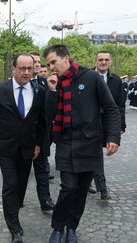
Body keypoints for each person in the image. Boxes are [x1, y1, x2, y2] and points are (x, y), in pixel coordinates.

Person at [43, 45, 121, 243]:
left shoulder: (90, 77)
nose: (51, 67)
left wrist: (113, 136)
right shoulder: (54, 82)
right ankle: (57, 227)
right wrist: (51, 90)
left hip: (90, 144)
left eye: (54, 62)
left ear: (66, 57)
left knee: (81, 191)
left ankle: (72, 227)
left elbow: (111, 108)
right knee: (68, 187)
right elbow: (48, 116)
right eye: (48, 64)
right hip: (65, 142)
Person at [0, 53, 46, 243]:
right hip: (5, 146)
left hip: (28, 147)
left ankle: (15, 207)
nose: (26, 72)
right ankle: (14, 228)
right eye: (22, 68)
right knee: (10, 184)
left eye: (29, 68)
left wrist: (39, 144)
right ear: (13, 69)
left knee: (22, 185)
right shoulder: (0, 89)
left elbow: (41, 121)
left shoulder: (40, 91)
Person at [88, 50, 127, 199]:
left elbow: (120, 105)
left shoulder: (116, 81)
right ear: (95, 61)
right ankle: (102, 188)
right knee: (96, 153)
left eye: (106, 60)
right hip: (90, 122)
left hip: (107, 122)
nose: (103, 62)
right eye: (100, 60)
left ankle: (89, 181)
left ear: (109, 61)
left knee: (94, 153)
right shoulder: (86, 78)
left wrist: (120, 126)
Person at [29, 51, 55, 212]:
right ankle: (17, 199)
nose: (38, 64)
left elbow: (50, 110)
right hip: (23, 137)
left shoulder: (45, 82)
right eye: (35, 62)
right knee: (20, 173)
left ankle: (45, 200)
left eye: (39, 62)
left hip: (41, 135)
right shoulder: (14, 84)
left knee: (42, 171)